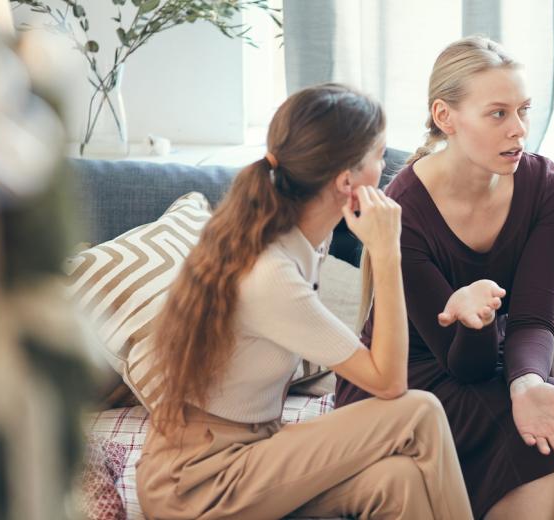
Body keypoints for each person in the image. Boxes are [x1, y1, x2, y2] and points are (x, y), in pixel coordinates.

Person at [135, 83, 473, 520]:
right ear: (345, 181)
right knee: (420, 410)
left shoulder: (303, 237)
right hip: (198, 484)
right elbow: (389, 383)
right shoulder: (270, 271)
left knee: (397, 482)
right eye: (380, 155)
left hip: (251, 455)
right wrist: (388, 252)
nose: (386, 168)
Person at [336, 36, 554, 520]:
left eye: (524, 110)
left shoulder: (545, 187)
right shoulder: (404, 208)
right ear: (446, 117)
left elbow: (532, 318)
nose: (519, 130)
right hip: (412, 379)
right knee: (543, 442)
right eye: (498, 114)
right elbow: (458, 364)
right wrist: (471, 320)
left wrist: (527, 384)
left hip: (490, 368)